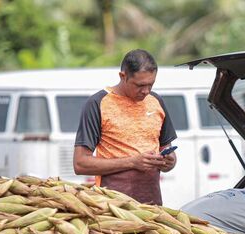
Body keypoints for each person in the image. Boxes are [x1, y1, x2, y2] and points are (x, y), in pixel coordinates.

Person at [73, 49, 177, 205]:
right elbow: (80, 163)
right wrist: (132, 162)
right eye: (140, 85)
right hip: (111, 207)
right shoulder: (98, 103)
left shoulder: (156, 101)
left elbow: (168, 152)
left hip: (152, 206)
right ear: (123, 76)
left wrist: (169, 161)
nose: (146, 91)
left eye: (151, 84)